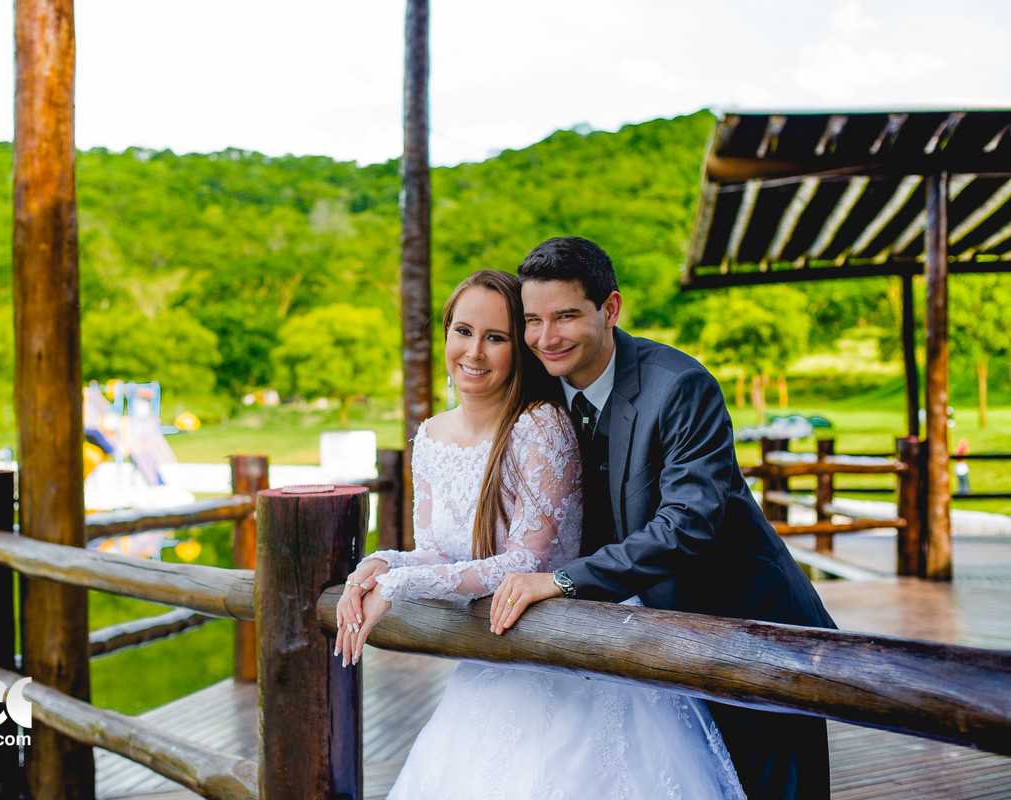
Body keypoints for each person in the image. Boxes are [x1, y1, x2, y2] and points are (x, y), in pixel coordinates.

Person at [336, 269, 745, 800]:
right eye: (463, 331)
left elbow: (526, 563)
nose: (474, 352)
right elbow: (435, 551)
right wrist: (385, 565)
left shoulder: (540, 426)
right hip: (492, 661)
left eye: (496, 337)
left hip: (564, 654)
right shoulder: (431, 434)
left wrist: (399, 587)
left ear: (518, 349)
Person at [491, 236, 838, 800]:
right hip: (648, 650)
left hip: (749, 630)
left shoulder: (679, 386)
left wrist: (561, 580)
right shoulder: (539, 392)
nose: (546, 337)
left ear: (610, 309)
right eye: (533, 320)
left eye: (566, 316)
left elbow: (687, 526)